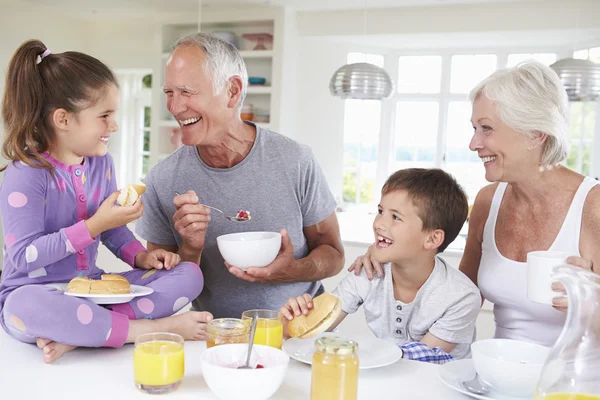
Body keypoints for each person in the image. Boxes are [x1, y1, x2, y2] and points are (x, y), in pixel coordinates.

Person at [350, 61, 600, 348]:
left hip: (572, 384)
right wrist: (389, 254)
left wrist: (591, 302)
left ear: (535, 134)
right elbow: (458, 294)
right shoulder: (487, 201)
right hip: (498, 373)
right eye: (474, 128)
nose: (473, 143)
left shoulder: (593, 205)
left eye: (486, 129)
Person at [0, 40, 207, 364]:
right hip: (40, 295)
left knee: (190, 275)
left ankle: (83, 333)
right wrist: (95, 225)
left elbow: (112, 232)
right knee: (22, 306)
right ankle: (146, 330)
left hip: (94, 292)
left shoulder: (101, 163)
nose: (113, 126)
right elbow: (24, 256)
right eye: (104, 115)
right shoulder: (26, 173)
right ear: (63, 119)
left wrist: (142, 258)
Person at [135, 33, 345, 326]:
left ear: (232, 91)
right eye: (169, 93)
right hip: (217, 337)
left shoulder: (295, 160)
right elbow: (159, 288)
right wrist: (190, 250)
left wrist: (290, 269)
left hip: (300, 333)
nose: (174, 107)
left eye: (187, 91)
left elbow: (334, 255)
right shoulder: (163, 179)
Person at [281, 169, 481, 363]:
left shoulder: (461, 296)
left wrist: (349, 353)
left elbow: (422, 358)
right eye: (380, 211)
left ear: (432, 238)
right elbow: (315, 329)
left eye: (395, 217)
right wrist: (294, 323)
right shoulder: (368, 272)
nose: (378, 224)